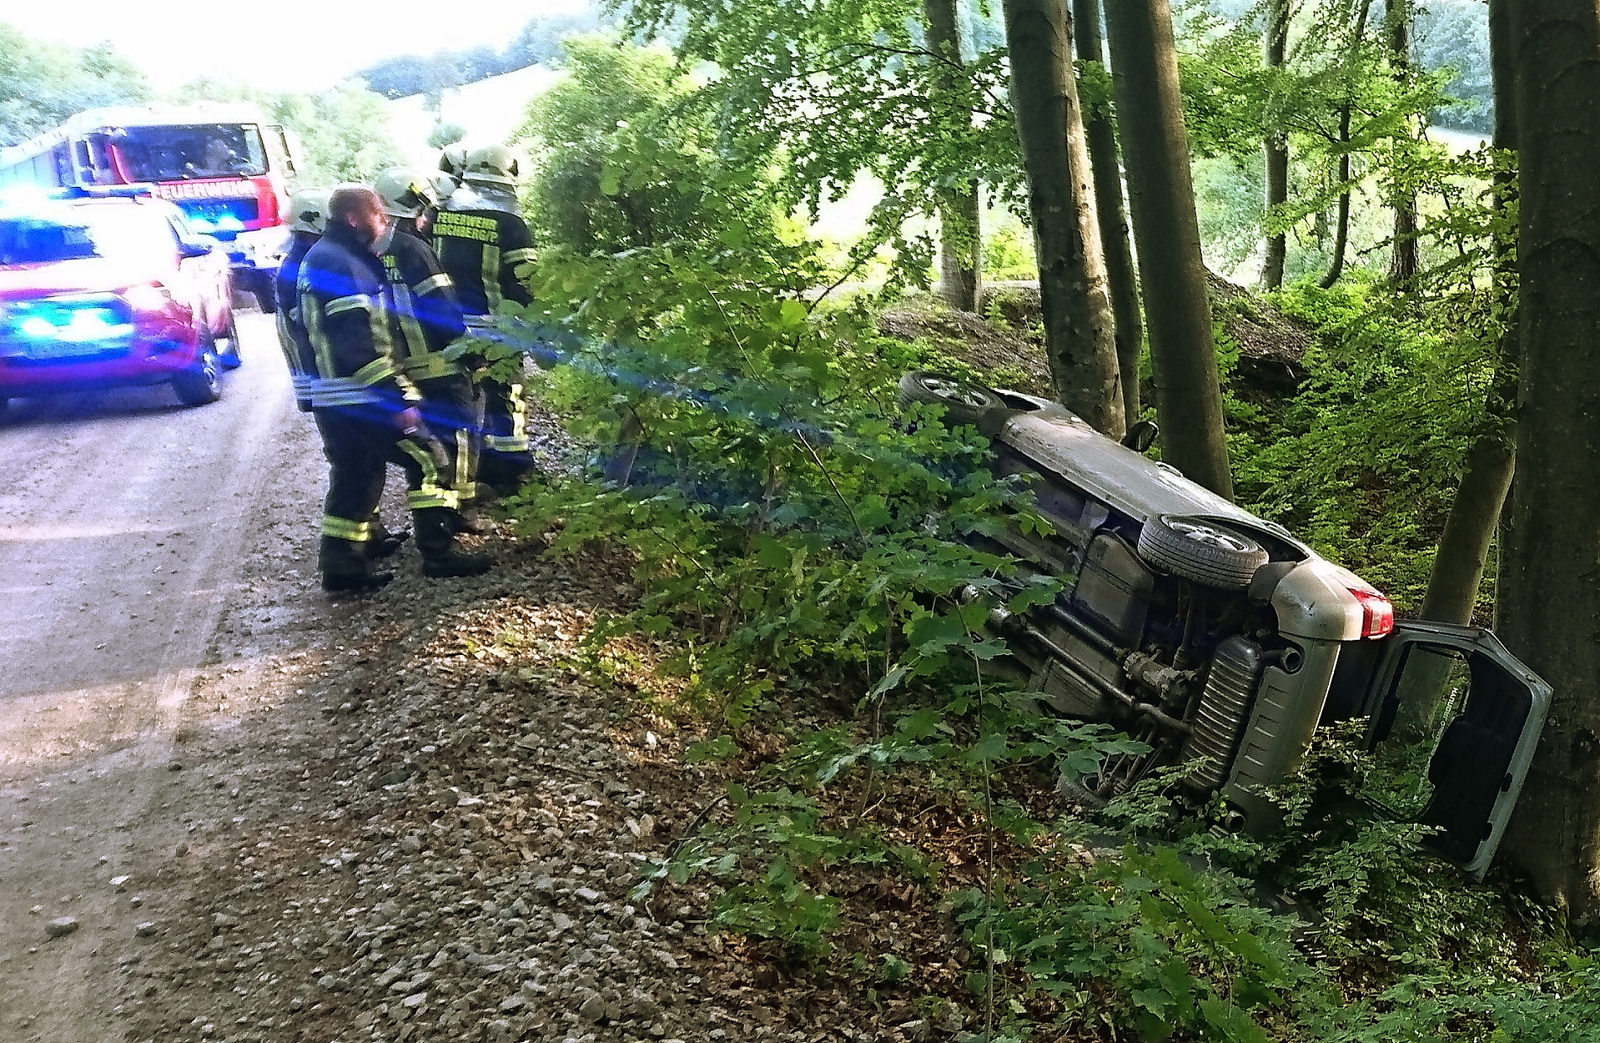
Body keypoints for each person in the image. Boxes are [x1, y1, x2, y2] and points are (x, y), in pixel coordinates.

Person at [297, 185, 492, 592]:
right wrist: (398, 399)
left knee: (356, 476)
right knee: (431, 457)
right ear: (354, 218)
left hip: (333, 396)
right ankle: (439, 553)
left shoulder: (324, 256)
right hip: (361, 395)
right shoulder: (346, 264)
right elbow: (359, 344)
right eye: (379, 216)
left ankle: (341, 568)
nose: (384, 224)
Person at [372, 167, 487, 532]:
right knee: (461, 434)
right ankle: (460, 509)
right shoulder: (414, 248)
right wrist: (469, 351)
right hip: (439, 363)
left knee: (430, 444)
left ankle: (439, 512)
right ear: (415, 202)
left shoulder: (373, 249)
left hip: (400, 367)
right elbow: (441, 305)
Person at [431, 143, 539, 494]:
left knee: (460, 401)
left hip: (446, 328)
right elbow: (525, 281)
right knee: (506, 396)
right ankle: (511, 470)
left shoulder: (439, 214)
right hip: (496, 328)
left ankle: (459, 472)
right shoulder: (511, 223)